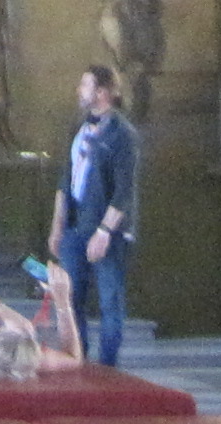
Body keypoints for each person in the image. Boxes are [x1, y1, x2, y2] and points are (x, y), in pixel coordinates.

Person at [48, 64, 136, 364]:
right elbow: (66, 179)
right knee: (71, 298)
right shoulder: (80, 128)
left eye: (84, 85)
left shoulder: (122, 134)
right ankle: (78, 359)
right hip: (74, 227)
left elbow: (123, 192)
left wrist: (104, 232)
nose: (79, 90)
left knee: (110, 300)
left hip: (105, 231)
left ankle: (108, 366)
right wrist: (57, 227)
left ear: (102, 93)